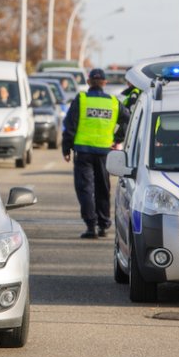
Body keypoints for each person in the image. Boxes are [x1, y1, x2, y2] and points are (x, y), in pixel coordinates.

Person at [62, 68, 131, 239]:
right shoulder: (113, 102)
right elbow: (128, 119)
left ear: (88, 82)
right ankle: (103, 224)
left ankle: (90, 226)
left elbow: (70, 124)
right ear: (105, 83)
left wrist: (66, 148)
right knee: (103, 188)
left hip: (83, 151)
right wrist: (118, 137)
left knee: (85, 189)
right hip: (104, 152)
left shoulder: (82, 99)